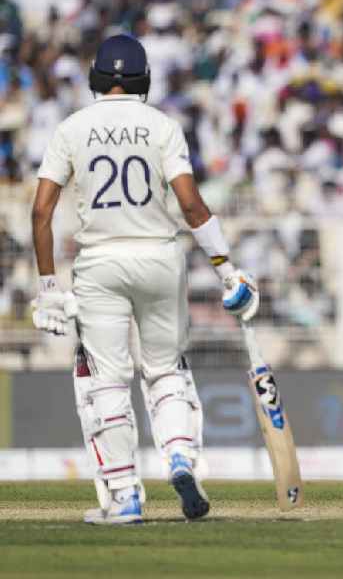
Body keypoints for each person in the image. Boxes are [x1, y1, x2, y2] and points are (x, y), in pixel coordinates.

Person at [30, 34, 259, 524]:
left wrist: (48, 287)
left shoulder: (72, 128)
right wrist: (227, 270)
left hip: (99, 264)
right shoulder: (162, 126)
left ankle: (124, 496)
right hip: (159, 258)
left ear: (95, 78)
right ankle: (179, 457)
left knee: (107, 382)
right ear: (145, 79)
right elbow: (191, 204)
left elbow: (41, 211)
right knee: (166, 372)